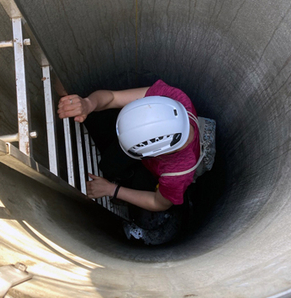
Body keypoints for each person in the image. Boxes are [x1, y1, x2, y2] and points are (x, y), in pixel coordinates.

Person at [57, 80, 207, 216]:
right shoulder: (170, 99)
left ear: (152, 153)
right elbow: (112, 97)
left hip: (153, 175)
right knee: (108, 165)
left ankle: (127, 179)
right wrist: (88, 104)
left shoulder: (176, 174)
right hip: (152, 161)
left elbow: (159, 203)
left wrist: (111, 190)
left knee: (115, 170)